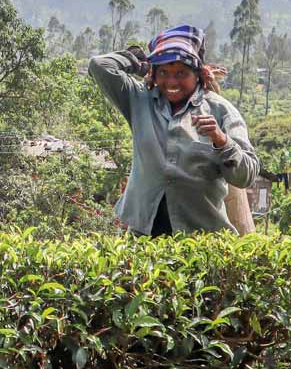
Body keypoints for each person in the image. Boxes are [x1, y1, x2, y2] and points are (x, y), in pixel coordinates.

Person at [88, 25, 259, 237]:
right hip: (144, 236)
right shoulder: (140, 100)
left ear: (197, 74)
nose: (171, 82)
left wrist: (221, 140)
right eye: (164, 73)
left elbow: (247, 175)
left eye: (181, 73)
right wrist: (142, 64)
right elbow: (99, 65)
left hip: (201, 240)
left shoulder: (221, 111)